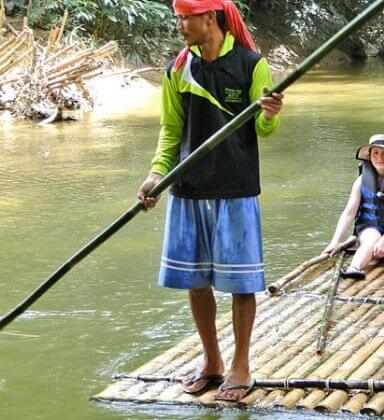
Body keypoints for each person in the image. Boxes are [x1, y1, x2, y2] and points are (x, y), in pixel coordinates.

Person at [136, 0, 284, 403]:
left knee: (241, 283)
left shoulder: (252, 64)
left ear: (209, 18)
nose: (180, 26)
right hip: (188, 188)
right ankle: (212, 361)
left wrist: (269, 113)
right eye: (178, 18)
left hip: (236, 188)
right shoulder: (178, 68)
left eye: (186, 18)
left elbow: (264, 130)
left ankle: (241, 365)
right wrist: (156, 175)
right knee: (196, 281)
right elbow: (171, 130)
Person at [323, 134, 384, 280]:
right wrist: (335, 241)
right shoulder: (361, 181)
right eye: (375, 153)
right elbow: (349, 213)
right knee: (372, 237)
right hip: (370, 227)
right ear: (369, 156)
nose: (380, 158)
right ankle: (354, 268)